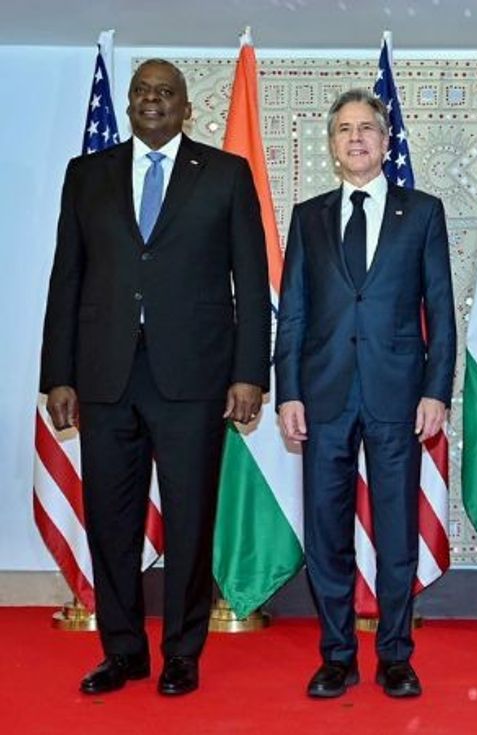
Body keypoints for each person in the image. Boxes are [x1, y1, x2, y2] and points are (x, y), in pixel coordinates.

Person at [40, 59, 270, 696]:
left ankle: (181, 654)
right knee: (110, 518)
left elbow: (250, 282)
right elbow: (67, 278)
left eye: (165, 93)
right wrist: (57, 373)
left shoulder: (224, 174)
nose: (151, 101)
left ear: (186, 107)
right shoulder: (86, 176)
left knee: (191, 520)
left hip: (194, 377)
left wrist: (250, 372)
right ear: (129, 104)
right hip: (105, 376)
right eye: (141, 92)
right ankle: (122, 652)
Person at [275, 88, 456, 700]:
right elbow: (293, 314)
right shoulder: (309, 216)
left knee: (398, 531)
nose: (356, 138)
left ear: (386, 141)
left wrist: (437, 391)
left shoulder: (423, 212)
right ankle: (336, 656)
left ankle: (396, 656)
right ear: (332, 145)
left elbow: (442, 311)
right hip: (322, 396)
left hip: (399, 395)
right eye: (344, 130)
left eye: (367, 129)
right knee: (326, 531)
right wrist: (287, 392)